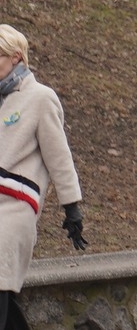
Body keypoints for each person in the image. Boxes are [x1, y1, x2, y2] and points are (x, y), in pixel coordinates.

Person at [0, 25, 86, 330]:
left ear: (16, 57)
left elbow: (59, 156)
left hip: (14, 209)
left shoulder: (40, 98)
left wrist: (72, 207)